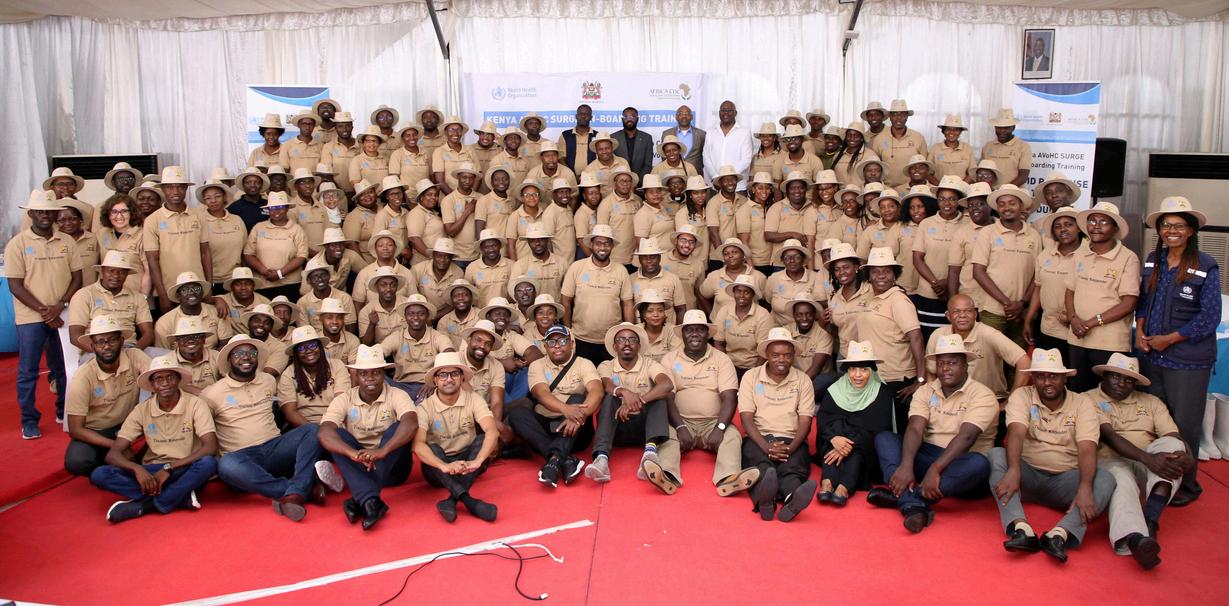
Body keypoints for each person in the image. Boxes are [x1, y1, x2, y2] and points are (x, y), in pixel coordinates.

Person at [989, 348, 1115, 563]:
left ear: (1064, 378)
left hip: (1065, 480)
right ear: (1033, 378)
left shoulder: (1083, 403)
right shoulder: (1022, 395)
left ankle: (1059, 535)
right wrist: (1014, 470)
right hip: (1025, 476)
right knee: (996, 455)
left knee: (1105, 479)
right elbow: (1016, 432)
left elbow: (1087, 448)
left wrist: (1085, 488)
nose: (1047, 382)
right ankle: (1021, 529)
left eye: (1053, 376)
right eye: (1040, 376)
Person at [1137, 196, 1220, 507]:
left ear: (1191, 231)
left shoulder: (1206, 264)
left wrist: (1170, 339)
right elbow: (1143, 301)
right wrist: (1141, 331)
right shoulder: (1152, 260)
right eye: (1166, 225)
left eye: (1179, 225)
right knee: (1157, 421)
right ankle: (1159, 479)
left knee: (1184, 424)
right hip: (1152, 356)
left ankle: (1186, 485)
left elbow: (1209, 317)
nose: (1172, 231)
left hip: (1188, 360)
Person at [869, 334, 998, 532]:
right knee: (884, 438)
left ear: (965, 365)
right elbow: (915, 428)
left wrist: (935, 469)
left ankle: (905, 498)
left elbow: (966, 437)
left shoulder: (983, 395)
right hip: (927, 455)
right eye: (941, 363)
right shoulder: (925, 390)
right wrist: (906, 465)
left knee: (980, 463)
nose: (945, 368)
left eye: (952, 363)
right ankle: (912, 500)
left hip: (960, 464)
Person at [202, 335, 329, 523]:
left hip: (274, 448)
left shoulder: (268, 381)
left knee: (311, 430)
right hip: (242, 459)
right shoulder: (211, 394)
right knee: (226, 464)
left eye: (251, 353)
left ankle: (297, 488)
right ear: (229, 360)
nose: (246, 357)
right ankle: (301, 489)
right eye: (239, 353)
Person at [1086, 353, 1188, 569]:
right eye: (1116, 377)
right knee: (1121, 479)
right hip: (1109, 460)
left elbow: (1173, 436)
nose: (1121, 383)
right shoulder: (1087, 399)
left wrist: (1184, 458)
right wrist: (1149, 459)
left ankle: (1150, 519)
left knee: (1173, 447)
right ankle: (1134, 539)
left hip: (1147, 463)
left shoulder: (1151, 402)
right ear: (1105, 376)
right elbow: (1109, 437)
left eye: (1129, 380)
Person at [88, 356, 217, 523]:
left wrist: (169, 468)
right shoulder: (141, 410)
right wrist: (137, 469)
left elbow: (210, 447)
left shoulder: (196, 404)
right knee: (100, 474)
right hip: (153, 470)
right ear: (152, 385)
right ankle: (177, 496)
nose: (165, 383)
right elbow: (113, 454)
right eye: (158, 379)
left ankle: (148, 505)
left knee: (208, 463)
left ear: (178, 380)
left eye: (170, 377)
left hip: (184, 467)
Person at [318, 345, 419, 530]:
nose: (370, 378)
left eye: (376, 373)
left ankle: (359, 499)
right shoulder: (344, 398)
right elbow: (324, 432)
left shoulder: (397, 394)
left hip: (392, 469)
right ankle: (370, 501)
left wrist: (382, 451)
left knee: (398, 427)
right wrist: (353, 453)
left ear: (383, 374)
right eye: (364, 373)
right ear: (356, 376)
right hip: (360, 465)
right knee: (337, 434)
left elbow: (411, 423)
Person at [586, 323, 678, 494]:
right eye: (621, 340)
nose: (627, 343)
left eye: (632, 340)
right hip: (617, 429)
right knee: (610, 398)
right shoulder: (606, 365)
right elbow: (606, 385)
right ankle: (601, 459)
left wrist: (639, 400)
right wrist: (623, 392)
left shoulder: (649, 364)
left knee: (659, 397)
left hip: (645, 430)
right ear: (615, 346)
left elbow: (666, 385)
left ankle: (650, 453)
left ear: (639, 345)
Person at [739, 328, 819, 522]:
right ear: (767, 354)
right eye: (775, 355)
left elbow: (805, 420)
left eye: (787, 355)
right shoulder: (751, 376)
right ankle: (766, 502)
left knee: (792, 470)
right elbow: (746, 417)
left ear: (793, 356)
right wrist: (766, 446)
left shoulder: (803, 380)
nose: (781, 359)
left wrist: (791, 448)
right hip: (759, 438)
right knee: (762, 468)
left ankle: (792, 500)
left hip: (792, 439)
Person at [509, 324, 603, 487]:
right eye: (551, 342)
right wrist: (566, 410)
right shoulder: (537, 365)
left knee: (577, 398)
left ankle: (553, 461)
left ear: (571, 343)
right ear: (545, 347)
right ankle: (562, 459)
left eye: (562, 341)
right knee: (516, 414)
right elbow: (541, 393)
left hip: (576, 430)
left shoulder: (584, 363)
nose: (557, 346)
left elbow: (597, 391)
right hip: (545, 429)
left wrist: (579, 415)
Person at [413, 351, 501, 522]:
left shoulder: (474, 399)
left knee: (482, 439)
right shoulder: (423, 408)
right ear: (435, 380)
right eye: (443, 375)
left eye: (454, 373)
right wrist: (444, 466)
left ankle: (451, 500)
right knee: (432, 448)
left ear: (462, 378)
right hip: (438, 468)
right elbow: (418, 445)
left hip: (469, 463)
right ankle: (468, 501)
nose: (449, 379)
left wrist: (478, 461)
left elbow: (492, 430)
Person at [1065, 202, 1140, 392]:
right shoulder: (1080, 253)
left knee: (1107, 394)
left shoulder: (1128, 258)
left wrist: (1090, 323)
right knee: (1078, 391)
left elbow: (1129, 303)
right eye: (1092, 221)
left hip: (1109, 342)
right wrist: (1073, 318)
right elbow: (1070, 290)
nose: (1096, 226)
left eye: (1103, 222)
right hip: (1077, 338)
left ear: (1115, 228)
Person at [64, 316, 152, 476]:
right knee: (77, 462)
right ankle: (112, 463)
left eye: (112, 340)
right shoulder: (83, 377)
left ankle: (134, 462)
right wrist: (116, 446)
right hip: (98, 430)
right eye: (100, 342)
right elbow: (75, 429)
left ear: (122, 341)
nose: (106, 346)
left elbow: (159, 380)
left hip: (130, 424)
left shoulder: (135, 355)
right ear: (92, 346)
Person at [854, 247, 926, 431]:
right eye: (875, 271)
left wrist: (920, 379)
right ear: (868, 275)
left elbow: (916, 337)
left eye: (887, 271)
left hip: (896, 378)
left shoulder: (898, 299)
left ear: (895, 275)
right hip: (875, 377)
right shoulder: (869, 297)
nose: (881, 276)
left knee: (893, 431)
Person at [972, 184, 1042, 348]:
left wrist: (1022, 304)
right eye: (1002, 204)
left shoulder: (1034, 235)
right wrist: (1007, 304)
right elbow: (978, 272)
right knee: (989, 357)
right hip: (993, 311)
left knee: (1018, 359)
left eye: (1012, 203)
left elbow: (1037, 275)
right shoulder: (987, 232)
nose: (1007, 208)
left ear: (1021, 206)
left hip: (1022, 313)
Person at [927, 294, 1029, 402]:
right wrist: (935, 399)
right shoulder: (938, 335)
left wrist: (1010, 402)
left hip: (989, 400)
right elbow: (930, 372)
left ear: (975, 314)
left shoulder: (988, 334)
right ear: (948, 316)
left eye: (968, 311)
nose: (962, 315)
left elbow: (1025, 362)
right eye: (956, 311)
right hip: (951, 400)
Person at [561, 224, 635, 363]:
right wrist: (568, 330)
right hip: (580, 339)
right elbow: (566, 301)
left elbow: (627, 303)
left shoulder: (621, 270)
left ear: (612, 246)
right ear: (591, 245)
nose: (602, 247)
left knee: (609, 375)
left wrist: (629, 332)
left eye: (607, 244)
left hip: (611, 340)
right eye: (598, 243)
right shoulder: (577, 267)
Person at [144, 167, 213, 314]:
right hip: (168, 291)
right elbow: (152, 260)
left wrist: (208, 288)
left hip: (196, 288)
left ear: (186, 188)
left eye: (180, 187)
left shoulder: (199, 216)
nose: (175, 192)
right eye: (170, 187)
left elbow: (205, 253)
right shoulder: (152, 220)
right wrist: (162, 295)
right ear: (163, 189)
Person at [67, 251, 155, 354]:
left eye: (121, 272)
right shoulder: (84, 295)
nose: (116, 275)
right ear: (102, 271)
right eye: (111, 271)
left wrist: (134, 352)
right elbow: (75, 336)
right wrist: (103, 355)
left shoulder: (137, 297)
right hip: (95, 351)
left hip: (130, 348)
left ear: (127, 274)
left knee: (164, 357)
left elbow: (148, 333)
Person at [1024, 207, 1082, 360]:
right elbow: (1038, 289)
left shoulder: (1088, 255)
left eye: (1069, 224)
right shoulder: (1045, 255)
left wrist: (1071, 316)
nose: (1063, 229)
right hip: (1048, 329)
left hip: (1076, 331)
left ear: (1079, 228)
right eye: (1058, 226)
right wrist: (1028, 319)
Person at [381, 294, 454, 400]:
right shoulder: (397, 336)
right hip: (400, 386)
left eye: (421, 314)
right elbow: (376, 354)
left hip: (427, 387)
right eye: (411, 314)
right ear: (405, 316)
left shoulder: (437, 337)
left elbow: (450, 353)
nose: (416, 317)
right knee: (377, 378)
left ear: (427, 315)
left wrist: (434, 380)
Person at [279, 325, 352, 427]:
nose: (308, 350)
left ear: (320, 347)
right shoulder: (289, 373)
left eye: (312, 345)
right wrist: (314, 430)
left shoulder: (337, 366)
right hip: (302, 426)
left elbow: (340, 403)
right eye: (301, 348)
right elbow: (290, 413)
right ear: (296, 354)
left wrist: (326, 429)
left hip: (335, 422)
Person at [242, 191, 308, 302]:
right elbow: (248, 254)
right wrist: (264, 271)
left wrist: (280, 273)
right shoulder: (259, 228)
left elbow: (301, 256)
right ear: (268, 210)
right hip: (263, 284)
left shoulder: (297, 229)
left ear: (287, 209)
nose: (276, 211)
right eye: (272, 208)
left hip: (290, 284)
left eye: (280, 207)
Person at [945, 180, 994, 309]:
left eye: (980, 204)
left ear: (990, 206)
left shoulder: (1001, 229)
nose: (975, 208)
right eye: (971, 205)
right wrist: (953, 302)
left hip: (996, 301)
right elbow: (954, 271)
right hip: (970, 299)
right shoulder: (961, 233)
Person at [713, 275, 775, 376]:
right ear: (733, 292)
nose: (741, 295)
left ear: (752, 295)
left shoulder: (763, 315)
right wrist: (725, 367)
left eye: (746, 292)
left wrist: (754, 374)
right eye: (738, 291)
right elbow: (718, 343)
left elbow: (764, 350)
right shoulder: (724, 311)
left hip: (754, 366)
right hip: (729, 364)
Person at [153, 271, 229, 350]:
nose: (192, 292)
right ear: (178, 296)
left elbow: (225, 345)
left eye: (196, 289)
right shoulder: (164, 323)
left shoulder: (216, 311)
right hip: (177, 358)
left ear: (202, 292)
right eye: (185, 290)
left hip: (213, 356)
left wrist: (209, 356)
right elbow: (162, 353)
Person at [196, 180, 247, 294]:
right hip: (210, 280)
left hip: (236, 279)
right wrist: (208, 284)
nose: (213, 200)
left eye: (217, 196)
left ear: (224, 197)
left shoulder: (237, 220)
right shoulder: (199, 221)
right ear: (204, 201)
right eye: (208, 198)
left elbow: (244, 251)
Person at [97, 194, 149, 295]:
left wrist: (143, 296)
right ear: (108, 214)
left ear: (132, 213)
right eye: (114, 212)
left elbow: (149, 271)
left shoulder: (142, 235)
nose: (119, 216)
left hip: (134, 294)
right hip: (106, 295)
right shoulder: (101, 234)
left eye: (124, 211)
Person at [764, 239, 825, 327]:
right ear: (782, 260)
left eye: (797, 257)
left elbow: (821, 306)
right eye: (787, 257)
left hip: (808, 328)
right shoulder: (774, 278)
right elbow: (768, 301)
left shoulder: (816, 277)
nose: (791, 260)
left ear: (803, 259)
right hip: (778, 328)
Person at [352, 230, 416, 309]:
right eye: (380, 245)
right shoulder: (364, 273)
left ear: (395, 247)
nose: (385, 248)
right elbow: (358, 304)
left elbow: (413, 302)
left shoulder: (407, 273)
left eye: (390, 245)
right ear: (375, 248)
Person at [873, 100, 928, 188]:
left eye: (902, 115)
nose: (898, 118)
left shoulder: (918, 137)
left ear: (907, 117)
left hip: (912, 188)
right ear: (890, 117)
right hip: (887, 190)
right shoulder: (879, 139)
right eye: (895, 114)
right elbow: (875, 166)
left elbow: (924, 166)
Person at [629, 239, 687, 323]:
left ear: (659, 258)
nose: (649, 261)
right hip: (639, 329)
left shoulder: (673, 279)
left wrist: (677, 331)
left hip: (667, 329)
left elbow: (680, 309)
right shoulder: (631, 279)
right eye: (644, 257)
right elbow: (627, 307)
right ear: (639, 259)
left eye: (653, 257)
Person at [702, 100, 754, 192]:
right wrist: (716, 178)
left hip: (737, 187)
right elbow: (706, 158)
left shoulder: (744, 132)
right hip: (715, 186)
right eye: (723, 110)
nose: (726, 113)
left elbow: (746, 160)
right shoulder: (710, 132)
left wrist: (728, 179)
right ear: (719, 113)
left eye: (729, 110)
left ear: (735, 113)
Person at [159, 316, 220, 391]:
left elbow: (227, 384)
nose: (190, 341)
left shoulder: (216, 357)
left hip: (214, 397)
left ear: (203, 339)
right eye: (184, 337)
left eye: (196, 336)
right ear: (177, 342)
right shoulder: (167, 362)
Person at [298, 258, 357, 334]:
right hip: (316, 339)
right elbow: (305, 330)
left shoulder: (344, 297)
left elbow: (350, 326)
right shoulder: (303, 302)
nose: (320, 279)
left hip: (340, 337)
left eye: (323, 275)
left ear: (329, 277)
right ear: (309, 281)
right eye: (315, 277)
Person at [509, 224, 566, 302]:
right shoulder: (520, 265)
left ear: (547, 240)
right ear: (528, 242)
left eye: (541, 239)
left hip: (555, 308)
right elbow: (513, 291)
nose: (537, 243)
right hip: (531, 308)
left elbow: (567, 292)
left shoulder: (562, 263)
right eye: (532, 240)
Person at [409, 238, 462, 313]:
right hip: (421, 312)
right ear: (433, 255)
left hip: (447, 314)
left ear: (451, 258)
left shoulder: (458, 273)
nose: (442, 260)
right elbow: (412, 296)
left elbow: (455, 302)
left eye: (447, 257)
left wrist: (437, 316)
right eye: (439, 256)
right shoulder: (417, 269)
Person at [406, 176, 451, 266]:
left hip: (435, 263)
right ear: (421, 197)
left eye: (435, 195)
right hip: (423, 263)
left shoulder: (433, 212)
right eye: (429, 195)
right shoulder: (417, 213)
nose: (434, 197)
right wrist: (433, 257)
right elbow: (414, 239)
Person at [980, 109, 1032, 187]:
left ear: (1013, 128)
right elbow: (981, 172)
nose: (1002, 131)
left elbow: (1023, 177)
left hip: (1012, 192)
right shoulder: (988, 146)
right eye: (999, 127)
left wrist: (1004, 190)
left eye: (1006, 128)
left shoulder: (1023, 146)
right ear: (995, 127)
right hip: (989, 192)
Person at [358, 267, 407, 346]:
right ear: (376, 286)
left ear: (397, 286)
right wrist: (372, 325)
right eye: (383, 285)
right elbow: (366, 345)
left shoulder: (407, 305)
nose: (388, 289)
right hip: (378, 351)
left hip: (405, 349)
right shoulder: (367, 311)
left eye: (393, 285)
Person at [466, 229, 514, 306]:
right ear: (481, 248)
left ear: (499, 246)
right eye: (486, 247)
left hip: (504, 311)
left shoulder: (511, 265)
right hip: (480, 311)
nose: (491, 250)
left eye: (494, 245)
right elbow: (467, 293)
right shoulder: (472, 267)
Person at [430, 117, 475, 195]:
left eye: (458, 130)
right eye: (451, 130)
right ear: (446, 132)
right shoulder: (439, 151)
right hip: (447, 197)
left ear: (462, 132)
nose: (455, 133)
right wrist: (455, 198)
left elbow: (478, 176)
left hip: (470, 198)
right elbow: (439, 181)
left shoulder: (470, 150)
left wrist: (471, 195)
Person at [343, 179, 382, 263]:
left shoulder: (383, 209)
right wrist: (364, 265)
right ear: (357, 199)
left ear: (375, 193)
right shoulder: (353, 216)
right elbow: (351, 244)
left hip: (389, 259)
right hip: (367, 261)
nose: (367, 196)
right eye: (362, 195)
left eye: (370, 192)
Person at [612, 107, 654, 180]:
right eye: (626, 117)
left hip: (640, 182)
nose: (629, 119)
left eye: (632, 116)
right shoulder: (613, 137)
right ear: (622, 119)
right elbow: (612, 163)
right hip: (619, 181)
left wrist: (637, 180)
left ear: (637, 119)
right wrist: (622, 180)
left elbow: (648, 164)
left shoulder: (647, 138)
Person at [322, 112, 360, 195]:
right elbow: (326, 174)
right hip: (337, 193)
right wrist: (340, 192)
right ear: (335, 128)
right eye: (340, 126)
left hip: (359, 193)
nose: (345, 129)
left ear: (352, 127)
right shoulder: (328, 147)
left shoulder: (361, 146)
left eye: (347, 126)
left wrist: (359, 191)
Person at [832, 121, 878, 186]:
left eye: (856, 136)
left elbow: (876, 177)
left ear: (861, 138)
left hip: (862, 192)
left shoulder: (870, 155)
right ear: (845, 137)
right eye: (849, 135)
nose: (852, 138)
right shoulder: (837, 156)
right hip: (842, 192)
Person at [437, 279, 482, 347]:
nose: (460, 298)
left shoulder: (480, 317)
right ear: (451, 299)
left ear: (471, 298)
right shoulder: (444, 321)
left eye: (465, 295)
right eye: (456, 295)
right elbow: (444, 346)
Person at [663, 105, 706, 175]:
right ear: (676, 117)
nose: (684, 116)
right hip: (672, 175)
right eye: (680, 114)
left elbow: (704, 155)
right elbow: (664, 155)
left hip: (695, 175)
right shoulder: (667, 133)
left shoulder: (701, 134)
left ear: (692, 117)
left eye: (686, 113)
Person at [929, 115, 974, 180]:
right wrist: (939, 185)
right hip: (939, 186)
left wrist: (962, 185)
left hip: (962, 186)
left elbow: (972, 172)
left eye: (956, 130)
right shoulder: (935, 148)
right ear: (943, 131)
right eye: (948, 129)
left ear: (960, 132)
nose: (951, 132)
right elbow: (928, 172)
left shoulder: (967, 148)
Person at [316, 298, 360, 365]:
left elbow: (353, 369)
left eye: (339, 317)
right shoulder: (315, 341)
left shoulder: (352, 340)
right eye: (329, 317)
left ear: (343, 319)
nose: (335, 322)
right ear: (321, 319)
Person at [558, 104, 599, 174]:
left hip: (592, 176)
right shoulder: (565, 135)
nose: (583, 116)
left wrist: (589, 175)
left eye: (587, 114)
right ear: (576, 116)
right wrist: (571, 174)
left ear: (591, 117)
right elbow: (561, 159)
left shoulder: (597, 135)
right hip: (570, 176)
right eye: (581, 114)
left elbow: (600, 159)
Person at [388, 122, 430, 188]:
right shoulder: (397, 154)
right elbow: (394, 180)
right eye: (407, 135)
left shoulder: (425, 152)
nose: (412, 138)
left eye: (414, 134)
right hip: (407, 193)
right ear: (402, 138)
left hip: (425, 192)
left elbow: (432, 176)